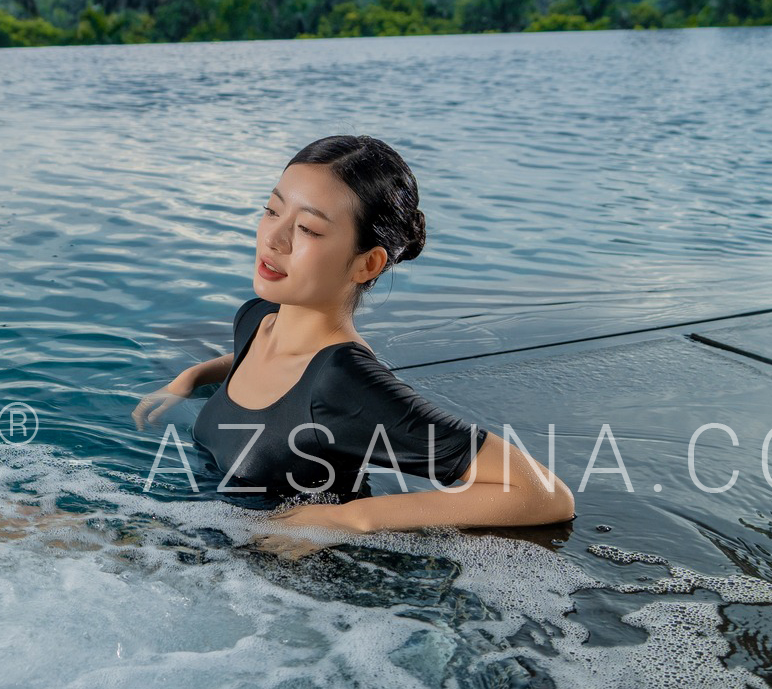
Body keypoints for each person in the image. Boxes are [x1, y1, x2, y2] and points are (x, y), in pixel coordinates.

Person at [134, 135, 574, 542]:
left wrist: (347, 519)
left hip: (290, 588)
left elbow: (543, 494)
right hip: (214, 536)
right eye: (272, 210)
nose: (274, 237)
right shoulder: (259, 318)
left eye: (308, 229)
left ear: (366, 264)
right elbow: (255, 361)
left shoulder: (345, 383)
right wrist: (190, 378)